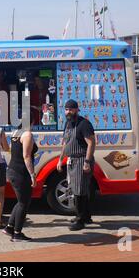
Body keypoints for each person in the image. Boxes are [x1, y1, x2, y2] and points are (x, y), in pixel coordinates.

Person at [57, 99, 96, 231]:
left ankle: (80, 220)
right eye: (67, 109)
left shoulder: (83, 124)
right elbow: (65, 143)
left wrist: (87, 162)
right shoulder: (68, 124)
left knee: (79, 191)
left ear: (77, 109)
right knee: (78, 189)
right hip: (71, 160)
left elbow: (91, 143)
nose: (69, 112)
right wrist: (60, 160)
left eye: (71, 109)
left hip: (81, 160)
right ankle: (86, 216)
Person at [3, 121, 38, 242]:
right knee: (24, 203)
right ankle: (17, 234)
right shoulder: (27, 135)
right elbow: (26, 156)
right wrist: (32, 175)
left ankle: (9, 228)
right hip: (20, 173)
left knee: (20, 202)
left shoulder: (15, 133)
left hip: (13, 170)